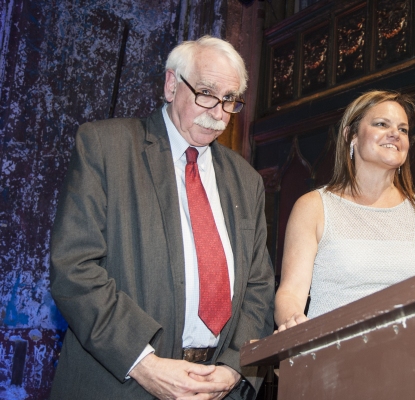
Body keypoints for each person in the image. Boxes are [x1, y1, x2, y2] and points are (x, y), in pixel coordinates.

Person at [50, 36, 274, 400]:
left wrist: (235, 366)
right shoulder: (106, 147)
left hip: (217, 389)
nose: (217, 112)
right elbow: (74, 268)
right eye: (205, 92)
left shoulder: (247, 180)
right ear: (171, 85)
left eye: (229, 100)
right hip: (120, 383)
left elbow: (259, 288)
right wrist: (143, 363)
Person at [274, 90, 415, 332]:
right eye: (381, 124)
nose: (395, 134)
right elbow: (291, 292)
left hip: (410, 355)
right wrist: (292, 321)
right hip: (333, 354)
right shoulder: (314, 207)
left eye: (403, 129)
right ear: (351, 135)